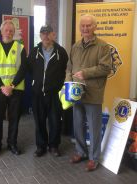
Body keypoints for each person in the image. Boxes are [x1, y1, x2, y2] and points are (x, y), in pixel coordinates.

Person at [65, 14, 111, 171]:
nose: (85, 28)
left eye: (88, 25)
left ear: (95, 27)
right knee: (77, 125)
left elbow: (106, 68)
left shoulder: (103, 46)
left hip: (93, 93)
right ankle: (80, 151)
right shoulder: (75, 46)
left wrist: (86, 73)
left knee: (94, 127)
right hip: (76, 92)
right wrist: (67, 81)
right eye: (83, 26)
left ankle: (94, 158)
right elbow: (69, 67)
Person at [0, 20, 27, 158]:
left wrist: (12, 86)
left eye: (11, 31)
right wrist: (3, 86)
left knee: (14, 118)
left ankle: (12, 144)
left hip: (15, 89)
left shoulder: (20, 48)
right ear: (1, 31)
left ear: (14, 32)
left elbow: (23, 69)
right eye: (6, 30)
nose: (8, 33)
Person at [28, 25, 68, 157]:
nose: (45, 36)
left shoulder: (61, 52)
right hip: (37, 94)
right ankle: (41, 146)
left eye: (48, 33)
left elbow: (65, 72)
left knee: (55, 121)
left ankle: (54, 146)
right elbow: (29, 70)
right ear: (40, 36)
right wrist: (34, 85)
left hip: (54, 94)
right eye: (43, 33)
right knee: (39, 121)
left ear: (53, 35)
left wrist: (59, 87)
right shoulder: (34, 51)